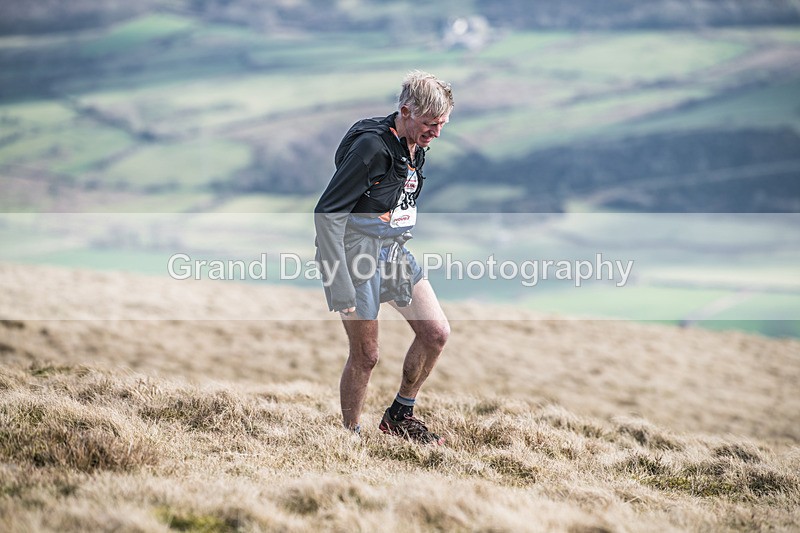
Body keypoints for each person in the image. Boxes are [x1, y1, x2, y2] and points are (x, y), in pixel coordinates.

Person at [314, 70, 453, 445]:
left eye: (441, 125)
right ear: (406, 111)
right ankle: (349, 437)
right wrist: (338, 280)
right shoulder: (372, 147)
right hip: (355, 253)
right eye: (430, 124)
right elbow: (327, 214)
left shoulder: (415, 144)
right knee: (367, 354)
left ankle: (399, 415)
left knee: (436, 333)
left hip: (393, 250)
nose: (436, 133)